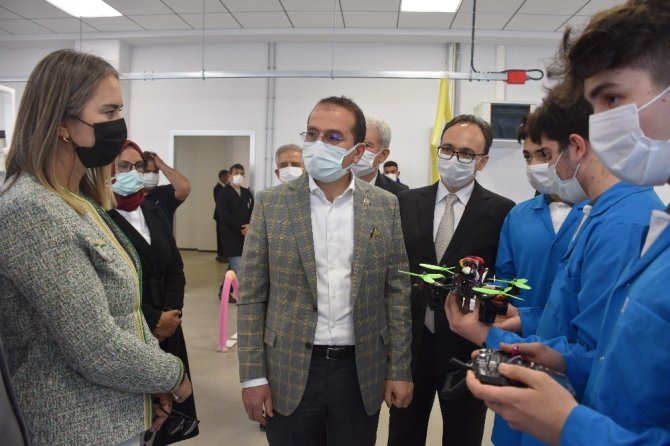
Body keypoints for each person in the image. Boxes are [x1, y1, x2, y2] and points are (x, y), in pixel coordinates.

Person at [464, 1, 670, 444]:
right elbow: (613, 356)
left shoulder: (624, 223)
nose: (601, 126)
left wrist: (569, 423)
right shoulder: (644, 227)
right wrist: (552, 356)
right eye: (596, 106)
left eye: (612, 99)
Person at [0, 49, 192, 446]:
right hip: (75, 427)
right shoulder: (31, 209)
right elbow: (95, 346)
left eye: (120, 110)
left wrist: (148, 384)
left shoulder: (78, 201)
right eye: (108, 112)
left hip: (113, 414)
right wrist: (171, 374)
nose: (118, 124)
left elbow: (122, 314)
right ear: (62, 124)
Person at [237, 96, 413, 446]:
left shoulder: (384, 206)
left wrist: (399, 368)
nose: (318, 144)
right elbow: (252, 296)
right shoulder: (272, 204)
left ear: (358, 150)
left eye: (333, 137)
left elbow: (396, 293)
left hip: (360, 369)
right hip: (288, 367)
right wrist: (253, 377)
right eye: (312, 134)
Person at [388, 114, 515, 446]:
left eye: (466, 153)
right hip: (411, 344)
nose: (454, 159)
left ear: (482, 161)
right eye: (447, 149)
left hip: (465, 348)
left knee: (463, 435)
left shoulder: (501, 211)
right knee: (403, 433)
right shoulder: (405, 202)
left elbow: (501, 282)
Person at [108, 140, 198, 445]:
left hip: (168, 325)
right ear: (108, 170)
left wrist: (171, 314)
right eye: (124, 166)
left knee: (167, 418)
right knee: (138, 415)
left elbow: (175, 267)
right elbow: (107, 285)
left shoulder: (153, 211)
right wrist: (152, 321)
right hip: (130, 327)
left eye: (138, 166)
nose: (133, 172)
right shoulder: (99, 215)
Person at [351, 117, 408, 195]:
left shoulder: (399, 194)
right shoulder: (334, 186)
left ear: (383, 155)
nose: (357, 149)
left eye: (367, 145)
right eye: (355, 143)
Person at [215, 163, 254, 279]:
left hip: (246, 236)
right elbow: (224, 215)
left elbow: (252, 211)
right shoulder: (223, 193)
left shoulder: (247, 192)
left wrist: (250, 225)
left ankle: (225, 289)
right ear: (230, 176)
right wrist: (242, 228)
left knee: (236, 268)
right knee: (239, 271)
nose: (239, 176)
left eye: (242, 174)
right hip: (231, 236)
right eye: (236, 173)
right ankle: (239, 291)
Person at [143, 150, 191, 231]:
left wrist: (162, 165)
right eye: (147, 171)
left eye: (155, 171)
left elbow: (185, 187)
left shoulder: (164, 193)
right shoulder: (129, 196)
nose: (151, 175)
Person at [213, 169, 230, 262]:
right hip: (220, 216)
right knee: (220, 236)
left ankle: (225, 254)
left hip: (225, 216)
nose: (229, 178)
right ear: (222, 177)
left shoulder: (226, 187)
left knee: (225, 236)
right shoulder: (218, 188)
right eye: (227, 177)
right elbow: (220, 203)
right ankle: (221, 255)